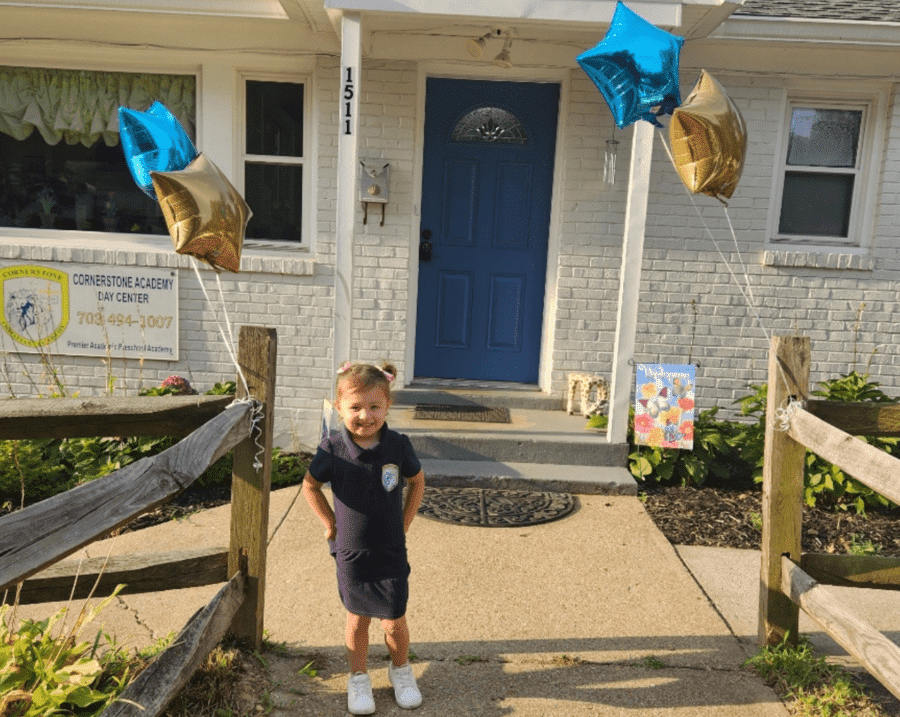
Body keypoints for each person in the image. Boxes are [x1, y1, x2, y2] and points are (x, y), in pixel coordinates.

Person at [302, 361, 426, 715]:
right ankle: (358, 678)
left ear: (387, 405)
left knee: (393, 620)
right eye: (355, 407)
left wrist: (404, 522)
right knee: (357, 620)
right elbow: (310, 486)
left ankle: (400, 670)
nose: (365, 416)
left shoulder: (398, 446)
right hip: (351, 554)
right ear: (339, 407)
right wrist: (329, 523)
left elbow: (417, 481)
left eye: (374, 406)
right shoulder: (332, 449)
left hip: (390, 551)